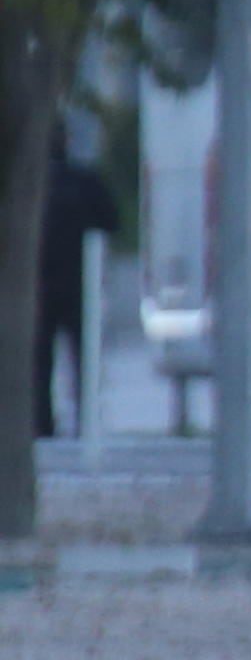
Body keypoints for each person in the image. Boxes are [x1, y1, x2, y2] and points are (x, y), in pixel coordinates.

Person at [35, 122, 119, 441]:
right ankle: (86, 422)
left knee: (41, 360)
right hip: (80, 284)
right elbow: (112, 221)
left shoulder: (29, 189)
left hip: (40, 287)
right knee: (84, 359)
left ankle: (42, 423)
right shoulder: (84, 182)